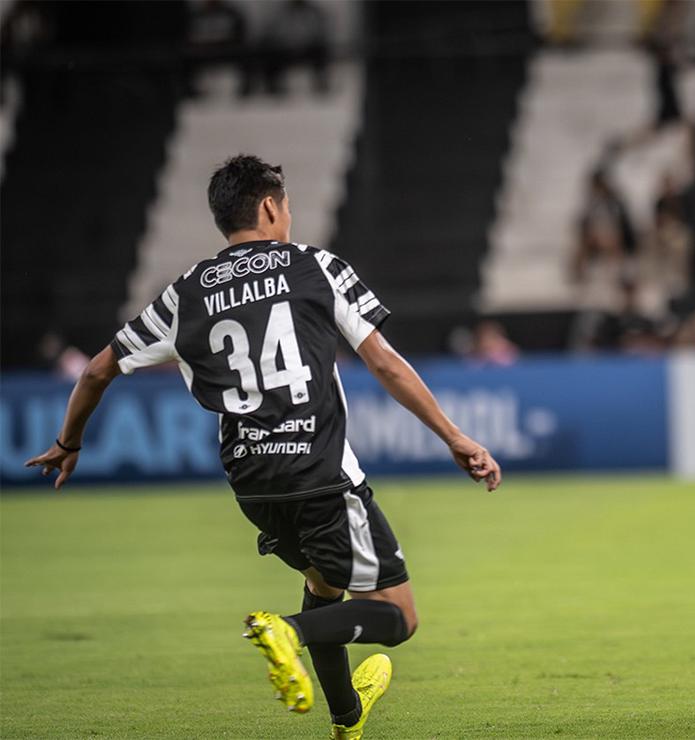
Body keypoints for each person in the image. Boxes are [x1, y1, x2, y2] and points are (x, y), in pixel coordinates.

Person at [24, 155, 502, 739]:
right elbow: (385, 362)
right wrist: (454, 436)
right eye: (288, 206)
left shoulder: (185, 292)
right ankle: (289, 634)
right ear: (271, 207)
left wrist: (67, 441)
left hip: (252, 484)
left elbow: (96, 372)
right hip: (322, 474)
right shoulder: (316, 268)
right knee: (398, 619)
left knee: (324, 585)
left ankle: (346, 718)